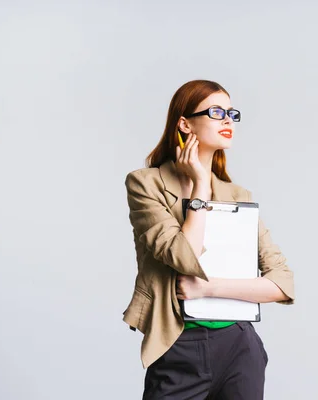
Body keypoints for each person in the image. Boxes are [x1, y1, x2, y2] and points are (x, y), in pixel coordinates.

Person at [122, 79, 295, 399]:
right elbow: (181, 255)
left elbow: (282, 283)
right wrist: (200, 188)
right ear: (185, 123)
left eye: (232, 113)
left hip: (239, 345)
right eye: (217, 111)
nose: (228, 120)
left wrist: (209, 288)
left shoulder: (236, 195)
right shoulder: (146, 184)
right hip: (178, 344)